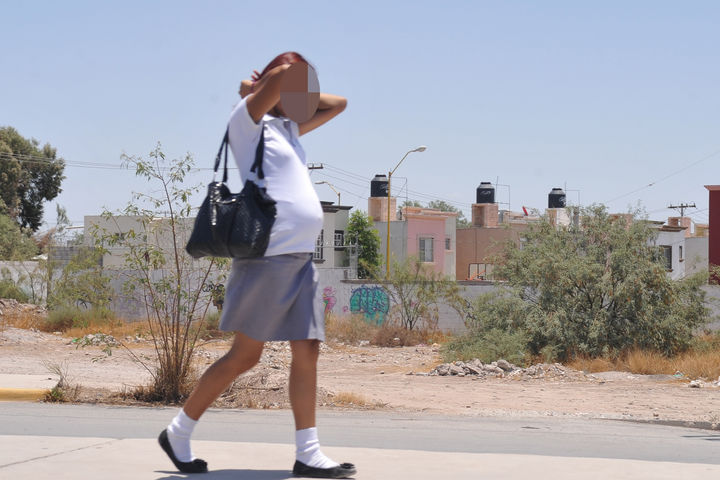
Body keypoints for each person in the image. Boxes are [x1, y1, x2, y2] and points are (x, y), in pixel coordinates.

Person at [158, 52, 354, 479]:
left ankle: (308, 454)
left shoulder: (289, 128)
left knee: (308, 349)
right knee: (245, 356)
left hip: (300, 259)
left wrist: (296, 92)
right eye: (294, 89)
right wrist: (257, 87)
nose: (302, 97)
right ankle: (178, 432)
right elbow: (285, 75)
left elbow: (338, 104)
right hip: (267, 258)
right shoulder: (247, 122)